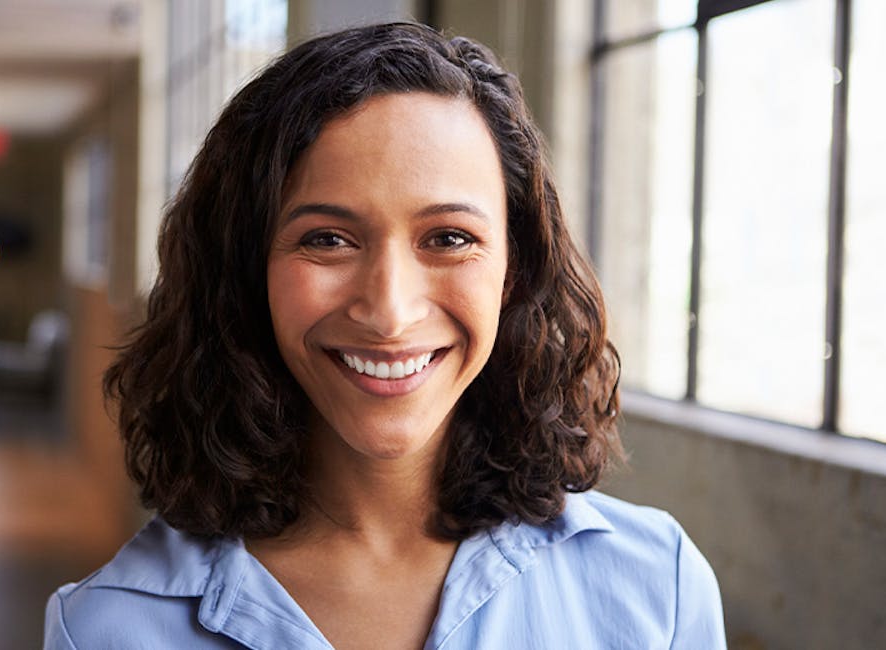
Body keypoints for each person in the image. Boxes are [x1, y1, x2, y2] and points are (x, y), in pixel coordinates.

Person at [44, 22, 725, 649]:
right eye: (328, 239)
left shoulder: (654, 593)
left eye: (450, 238)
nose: (391, 312)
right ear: (246, 271)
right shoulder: (107, 629)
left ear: (515, 269)